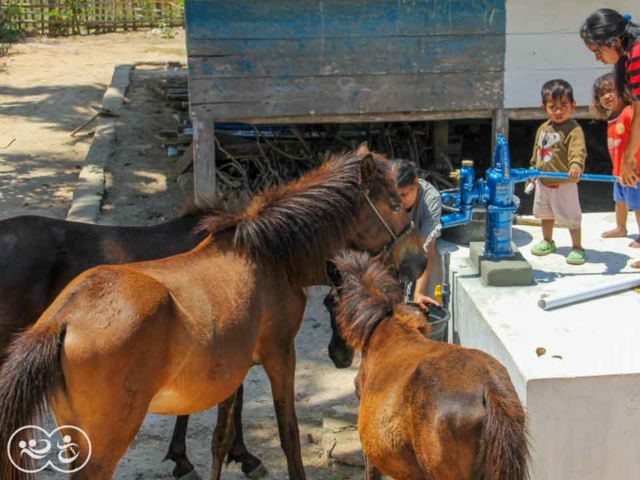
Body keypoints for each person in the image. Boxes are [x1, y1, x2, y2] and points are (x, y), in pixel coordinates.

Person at [581, 9, 640, 267]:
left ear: (614, 41)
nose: (598, 58)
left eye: (598, 51)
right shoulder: (629, 57)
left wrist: (628, 158)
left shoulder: (637, 55)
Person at [526, 79, 587, 265]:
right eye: (553, 106)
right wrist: (532, 172)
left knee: (572, 217)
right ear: (543, 107)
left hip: (564, 183)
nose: (559, 111)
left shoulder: (574, 129)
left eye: (564, 106)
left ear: (573, 105)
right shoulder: (543, 129)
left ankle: (577, 247)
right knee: (546, 214)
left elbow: (578, 150)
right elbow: (537, 152)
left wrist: (576, 166)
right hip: (543, 181)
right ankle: (547, 240)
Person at [590, 73, 640, 246]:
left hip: (633, 172)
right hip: (618, 172)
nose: (607, 96)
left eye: (611, 91)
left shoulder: (629, 113)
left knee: (638, 205)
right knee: (619, 201)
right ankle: (621, 227)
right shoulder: (612, 118)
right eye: (602, 94)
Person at [394, 160, 442, 309]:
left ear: (415, 183)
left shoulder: (430, 199)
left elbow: (427, 248)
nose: (399, 201)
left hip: (420, 246)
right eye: (396, 195)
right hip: (395, 248)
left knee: (425, 295)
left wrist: (419, 292)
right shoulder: (386, 196)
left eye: (403, 195)